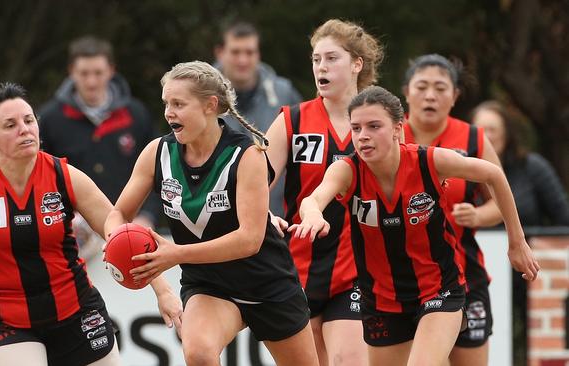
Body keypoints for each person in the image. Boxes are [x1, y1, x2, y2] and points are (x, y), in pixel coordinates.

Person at [289, 85, 539, 366]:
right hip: (381, 300)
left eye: (374, 126)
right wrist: (312, 214)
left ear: (398, 129)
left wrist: (517, 242)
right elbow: (314, 198)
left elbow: (493, 174)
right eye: (356, 128)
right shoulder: (347, 170)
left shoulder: (427, 161)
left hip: (438, 290)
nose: (363, 136)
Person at [103, 61, 319, 366]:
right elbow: (118, 213)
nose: (169, 112)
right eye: (166, 103)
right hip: (209, 285)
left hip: (266, 283)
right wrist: (115, 239)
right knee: (199, 354)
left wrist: (177, 253)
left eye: (178, 103)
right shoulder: (157, 153)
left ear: (210, 105)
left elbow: (249, 240)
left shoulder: (247, 155)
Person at [0, 83, 121, 365]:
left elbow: (119, 230)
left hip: (75, 309)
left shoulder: (63, 175)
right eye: (10, 125)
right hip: (2, 320)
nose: (25, 129)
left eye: (29, 120)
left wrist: (162, 291)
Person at [265, 19, 383, 365]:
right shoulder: (293, 120)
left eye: (331, 58)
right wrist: (262, 213)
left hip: (357, 270)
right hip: (296, 269)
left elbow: (405, 184)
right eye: (316, 59)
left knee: (349, 360)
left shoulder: (379, 123)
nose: (321, 67)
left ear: (356, 64)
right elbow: (253, 182)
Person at [401, 54, 504, 365]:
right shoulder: (387, 135)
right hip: (401, 275)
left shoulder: (473, 138)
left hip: (463, 272)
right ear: (406, 92)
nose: (430, 95)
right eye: (422, 87)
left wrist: (478, 215)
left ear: (456, 95)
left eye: (440, 88)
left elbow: (500, 201)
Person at [39, 35, 159, 259]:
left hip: (131, 233)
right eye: (84, 74)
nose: (91, 81)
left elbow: (158, 171)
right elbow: (39, 176)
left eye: (98, 73)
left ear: (111, 70)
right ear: (71, 71)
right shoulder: (49, 118)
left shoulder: (136, 115)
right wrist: (61, 218)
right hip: (69, 239)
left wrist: (148, 215)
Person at [214, 21, 303, 216]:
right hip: (217, 218)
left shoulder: (284, 94)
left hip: (277, 219)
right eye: (236, 52)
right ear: (220, 53)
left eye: (249, 52)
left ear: (258, 54)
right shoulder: (201, 96)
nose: (243, 60)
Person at [470, 100, 569, 226]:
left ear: (507, 134)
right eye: (480, 131)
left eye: (492, 129)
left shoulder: (533, 167)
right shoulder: (460, 171)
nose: (486, 137)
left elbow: (564, 219)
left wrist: (540, 240)